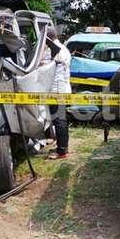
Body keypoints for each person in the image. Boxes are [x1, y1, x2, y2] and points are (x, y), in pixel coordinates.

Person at [46, 27, 71, 159]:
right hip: (61, 89)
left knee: (59, 120)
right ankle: (63, 147)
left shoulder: (56, 51)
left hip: (57, 90)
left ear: (48, 38)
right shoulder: (62, 49)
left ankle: (62, 151)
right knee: (61, 120)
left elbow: (48, 69)